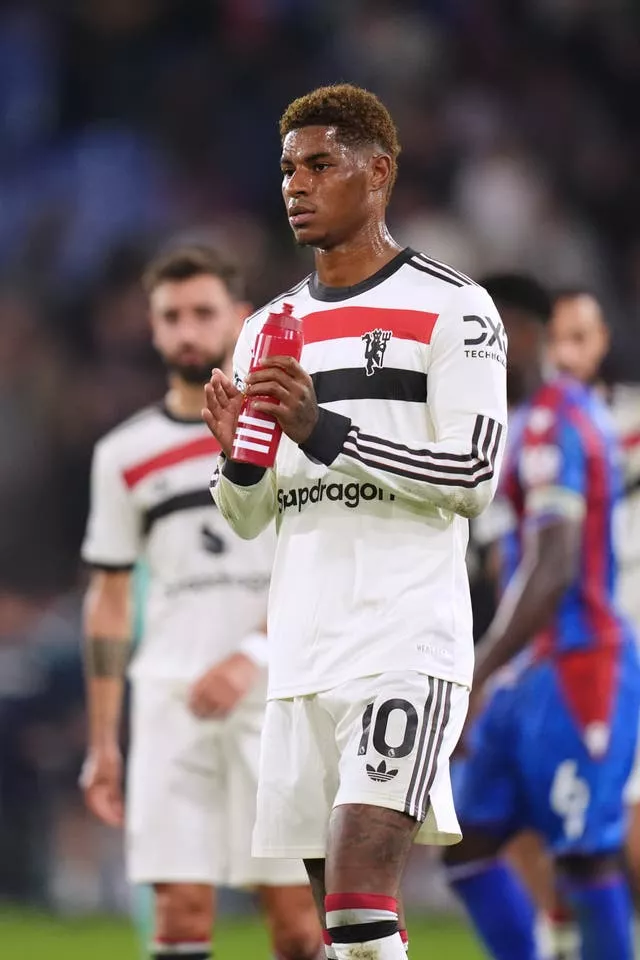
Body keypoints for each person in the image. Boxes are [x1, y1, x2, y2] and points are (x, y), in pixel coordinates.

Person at [203, 83, 508, 960]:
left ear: (378, 173)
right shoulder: (267, 327)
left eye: (320, 164)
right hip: (304, 653)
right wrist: (241, 457)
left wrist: (322, 429)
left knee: (357, 896)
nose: (296, 184)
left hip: (404, 641)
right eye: (288, 169)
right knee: (347, 933)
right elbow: (250, 516)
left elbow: (473, 475)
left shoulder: (454, 308)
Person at [80, 245, 322, 960]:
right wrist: (102, 743)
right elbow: (110, 598)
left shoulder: (287, 434)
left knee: (296, 921)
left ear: (240, 319)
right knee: (180, 911)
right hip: (168, 700)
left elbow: (315, 563)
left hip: (274, 696)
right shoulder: (123, 453)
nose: (187, 330)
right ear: (153, 330)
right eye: (171, 316)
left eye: (203, 312)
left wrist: (253, 654)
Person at [444, 274, 640, 960]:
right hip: (531, 666)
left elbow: (554, 568)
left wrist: (479, 670)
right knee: (466, 840)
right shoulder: (517, 425)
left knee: (587, 855)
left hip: (582, 661)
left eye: (478, 334)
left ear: (518, 335)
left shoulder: (559, 419)